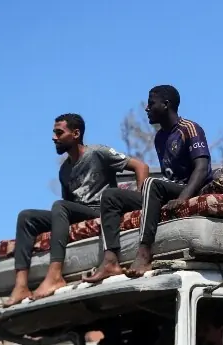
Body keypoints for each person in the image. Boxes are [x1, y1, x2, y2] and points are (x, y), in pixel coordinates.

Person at [4, 114, 149, 306]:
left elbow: (141, 166)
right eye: (54, 133)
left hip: (101, 210)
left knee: (59, 206)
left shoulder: (98, 152)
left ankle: (55, 274)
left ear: (76, 133)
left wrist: (140, 203)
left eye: (59, 132)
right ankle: (21, 286)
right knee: (26, 217)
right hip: (77, 212)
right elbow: (68, 204)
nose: (54, 137)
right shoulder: (64, 170)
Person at [83, 85, 213, 282]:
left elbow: (202, 168)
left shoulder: (189, 128)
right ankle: (110, 260)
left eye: (151, 103)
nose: (147, 108)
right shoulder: (160, 137)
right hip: (168, 190)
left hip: (190, 189)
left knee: (151, 183)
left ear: (166, 104)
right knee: (110, 196)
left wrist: (183, 198)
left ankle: (144, 254)